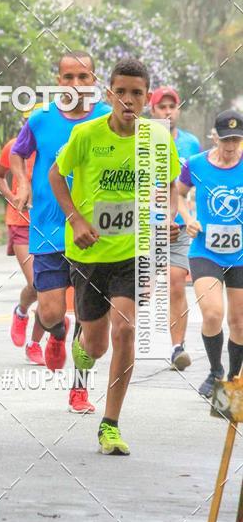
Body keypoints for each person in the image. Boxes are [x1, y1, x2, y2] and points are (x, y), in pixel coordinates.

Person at [49, 57, 180, 454]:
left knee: (125, 329)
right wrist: (75, 219)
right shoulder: (87, 135)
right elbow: (57, 175)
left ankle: (110, 424)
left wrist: (168, 217)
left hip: (132, 251)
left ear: (147, 98)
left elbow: (170, 182)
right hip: (88, 253)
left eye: (136, 93)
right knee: (98, 345)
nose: (128, 100)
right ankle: (83, 348)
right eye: (120, 92)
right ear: (109, 94)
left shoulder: (157, 138)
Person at [12, 51, 110, 413]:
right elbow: (17, 154)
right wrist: (22, 183)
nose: (75, 85)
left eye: (83, 78)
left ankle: (79, 389)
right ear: (58, 81)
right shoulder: (40, 119)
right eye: (68, 77)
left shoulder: (107, 119)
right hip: (50, 227)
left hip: (94, 232)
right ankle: (54, 331)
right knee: (52, 311)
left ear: (94, 81)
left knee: (89, 315)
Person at [178, 109, 243, 397]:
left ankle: (231, 381)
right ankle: (215, 369)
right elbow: (177, 193)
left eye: (237, 140)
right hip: (206, 251)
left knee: (239, 321)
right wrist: (187, 218)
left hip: (240, 254)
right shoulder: (195, 164)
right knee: (214, 314)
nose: (230, 147)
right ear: (215, 137)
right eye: (226, 140)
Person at [149, 86, 201, 371]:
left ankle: (176, 347)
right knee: (140, 291)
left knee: (176, 283)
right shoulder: (139, 140)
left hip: (178, 227)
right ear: (152, 110)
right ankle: (123, 339)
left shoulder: (191, 144)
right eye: (162, 107)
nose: (168, 112)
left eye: (172, 107)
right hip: (142, 226)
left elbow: (197, 183)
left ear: (178, 109)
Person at [0, 134, 44, 351]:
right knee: (37, 284)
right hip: (21, 222)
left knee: (51, 289)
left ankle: (35, 343)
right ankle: (22, 312)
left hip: (49, 223)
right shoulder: (13, 146)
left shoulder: (57, 143)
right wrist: (12, 197)